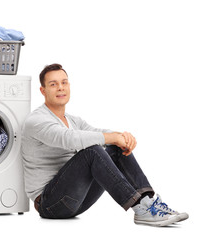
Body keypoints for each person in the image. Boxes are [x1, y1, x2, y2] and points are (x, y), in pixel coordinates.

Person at [21, 63, 188, 226]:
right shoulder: (36, 120)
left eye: (64, 82)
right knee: (92, 152)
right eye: (53, 84)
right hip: (50, 204)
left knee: (114, 148)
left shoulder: (73, 120)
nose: (60, 87)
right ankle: (139, 208)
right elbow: (69, 138)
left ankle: (148, 203)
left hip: (76, 200)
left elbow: (95, 132)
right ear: (43, 91)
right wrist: (113, 137)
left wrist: (122, 137)